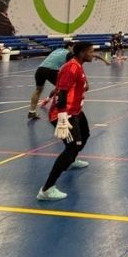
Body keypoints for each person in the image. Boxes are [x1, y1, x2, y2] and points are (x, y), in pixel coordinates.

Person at [37, 41, 95, 201]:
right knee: (71, 147)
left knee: (85, 134)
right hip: (64, 114)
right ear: (82, 53)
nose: (93, 54)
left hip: (75, 111)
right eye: (91, 52)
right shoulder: (71, 68)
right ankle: (46, 190)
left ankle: (72, 160)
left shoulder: (78, 64)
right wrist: (62, 118)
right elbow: (61, 94)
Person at [29, 41, 74, 120]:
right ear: (69, 47)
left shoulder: (57, 50)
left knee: (38, 90)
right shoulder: (69, 53)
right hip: (51, 70)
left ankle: (32, 111)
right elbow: (71, 66)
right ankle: (60, 112)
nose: (74, 50)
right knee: (64, 89)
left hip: (40, 69)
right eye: (74, 47)